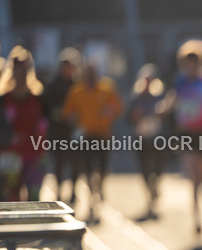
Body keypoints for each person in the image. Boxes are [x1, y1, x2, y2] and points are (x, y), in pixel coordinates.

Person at [166, 40, 202, 236]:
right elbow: (173, 100)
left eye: (195, 61)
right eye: (188, 61)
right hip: (186, 132)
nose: (192, 65)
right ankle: (197, 218)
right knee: (192, 178)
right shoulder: (181, 81)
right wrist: (164, 109)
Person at [61, 60, 122, 224]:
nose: (90, 76)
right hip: (85, 136)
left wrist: (109, 112)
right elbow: (67, 112)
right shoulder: (77, 91)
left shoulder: (106, 87)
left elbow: (118, 108)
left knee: (102, 168)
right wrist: (73, 119)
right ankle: (91, 198)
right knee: (87, 169)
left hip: (102, 136)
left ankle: (99, 186)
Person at [0, 46, 47, 202]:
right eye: (18, 69)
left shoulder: (38, 98)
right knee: (10, 200)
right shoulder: (3, 99)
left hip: (33, 155)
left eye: (25, 69)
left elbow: (43, 127)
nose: (21, 74)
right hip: (9, 156)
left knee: (33, 199)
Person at [41, 48, 80, 204]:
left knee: (76, 163)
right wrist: (59, 114)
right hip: (57, 131)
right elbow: (46, 108)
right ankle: (58, 190)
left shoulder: (77, 85)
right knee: (58, 163)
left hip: (74, 131)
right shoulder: (52, 85)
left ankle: (74, 190)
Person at [128, 64, 166, 220]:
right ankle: (149, 193)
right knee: (144, 168)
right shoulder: (136, 98)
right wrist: (135, 116)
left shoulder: (159, 97)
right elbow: (128, 118)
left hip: (157, 137)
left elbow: (166, 115)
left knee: (157, 167)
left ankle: (155, 187)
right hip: (142, 138)